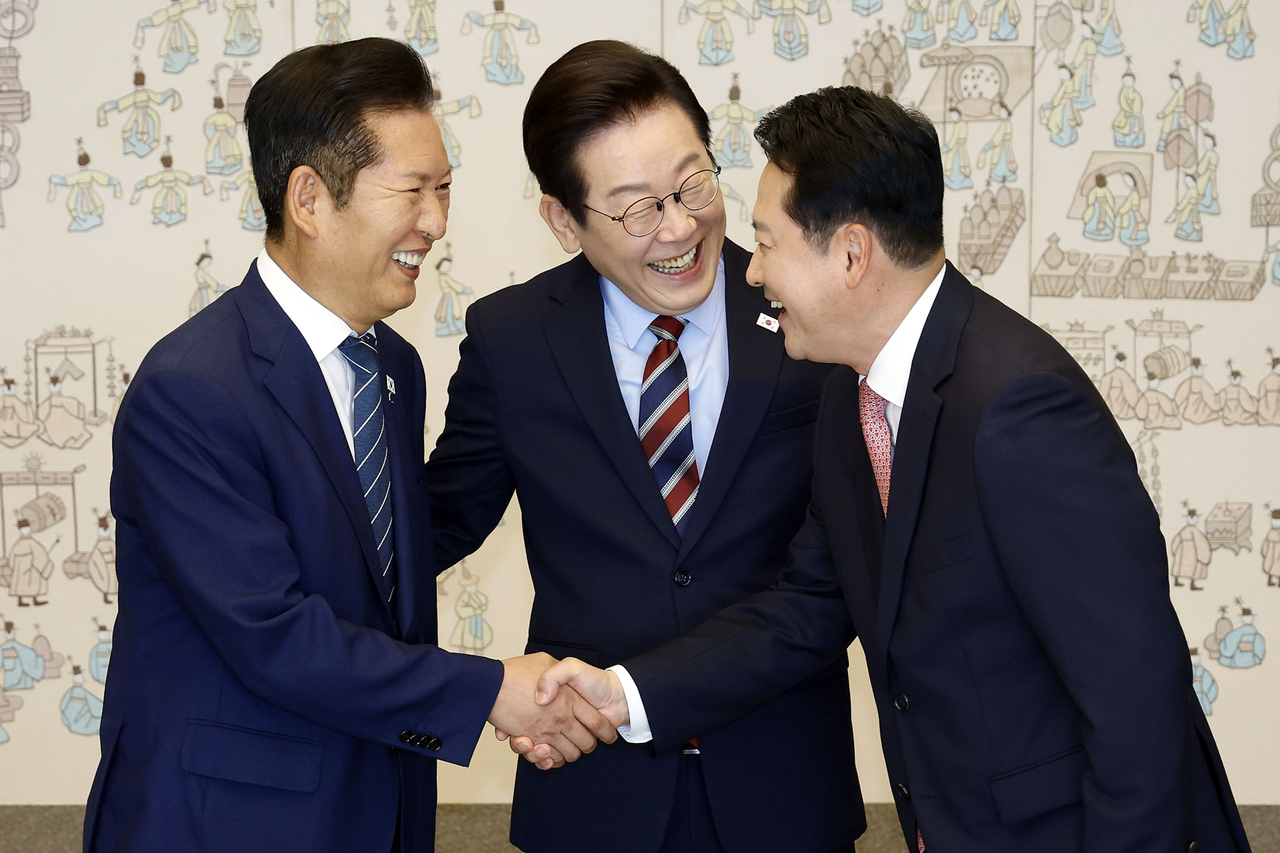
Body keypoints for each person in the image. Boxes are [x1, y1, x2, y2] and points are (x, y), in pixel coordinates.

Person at [525, 85, 1252, 853]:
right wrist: (622, 693)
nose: (751, 274)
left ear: (850, 253)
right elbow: (804, 607)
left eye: (769, 243)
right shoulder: (853, 399)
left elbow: (1137, 701)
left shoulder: (1018, 409)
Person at [81, 38, 613, 853]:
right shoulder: (191, 389)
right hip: (228, 824)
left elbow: (388, 561)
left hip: (377, 806)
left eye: (444, 189)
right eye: (412, 190)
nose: (435, 223)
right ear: (308, 197)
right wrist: (491, 689)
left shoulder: (390, 366)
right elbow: (274, 633)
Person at [424, 40, 861, 853]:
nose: (681, 225)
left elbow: (841, 568)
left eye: (692, 182)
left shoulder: (809, 314)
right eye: (636, 207)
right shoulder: (512, 340)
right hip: (593, 796)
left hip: (785, 789)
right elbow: (430, 531)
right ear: (562, 219)